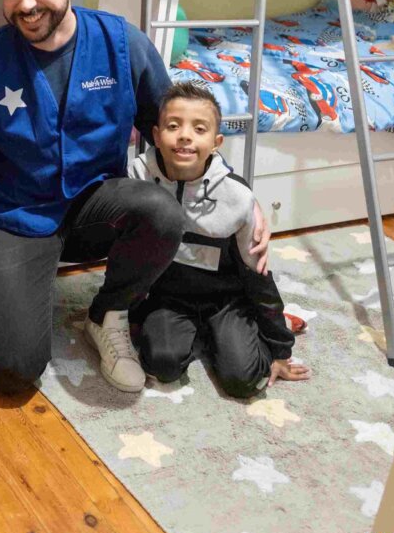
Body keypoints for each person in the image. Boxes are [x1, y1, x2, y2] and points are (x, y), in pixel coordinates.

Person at [0, 0, 270, 395]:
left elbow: (176, 131)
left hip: (96, 207)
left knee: (161, 212)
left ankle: (108, 313)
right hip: (16, 214)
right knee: (12, 372)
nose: (26, 4)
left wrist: (241, 194)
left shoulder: (122, 44)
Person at [129, 82, 311, 396]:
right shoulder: (138, 178)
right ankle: (200, 336)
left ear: (216, 143)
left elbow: (258, 276)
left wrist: (280, 350)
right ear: (156, 136)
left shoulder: (237, 198)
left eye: (199, 129)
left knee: (243, 381)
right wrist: (131, 317)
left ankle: (260, 326)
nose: (185, 135)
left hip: (228, 301)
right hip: (170, 300)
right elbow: (129, 255)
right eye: (174, 126)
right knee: (161, 365)